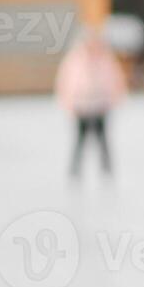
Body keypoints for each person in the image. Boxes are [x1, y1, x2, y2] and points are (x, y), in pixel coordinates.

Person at [53, 23, 127, 180]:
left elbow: (115, 80)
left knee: (103, 141)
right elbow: (65, 82)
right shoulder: (74, 60)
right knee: (80, 141)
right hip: (81, 106)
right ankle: (75, 170)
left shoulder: (106, 60)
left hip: (101, 106)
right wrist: (68, 103)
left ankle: (106, 169)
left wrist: (114, 99)